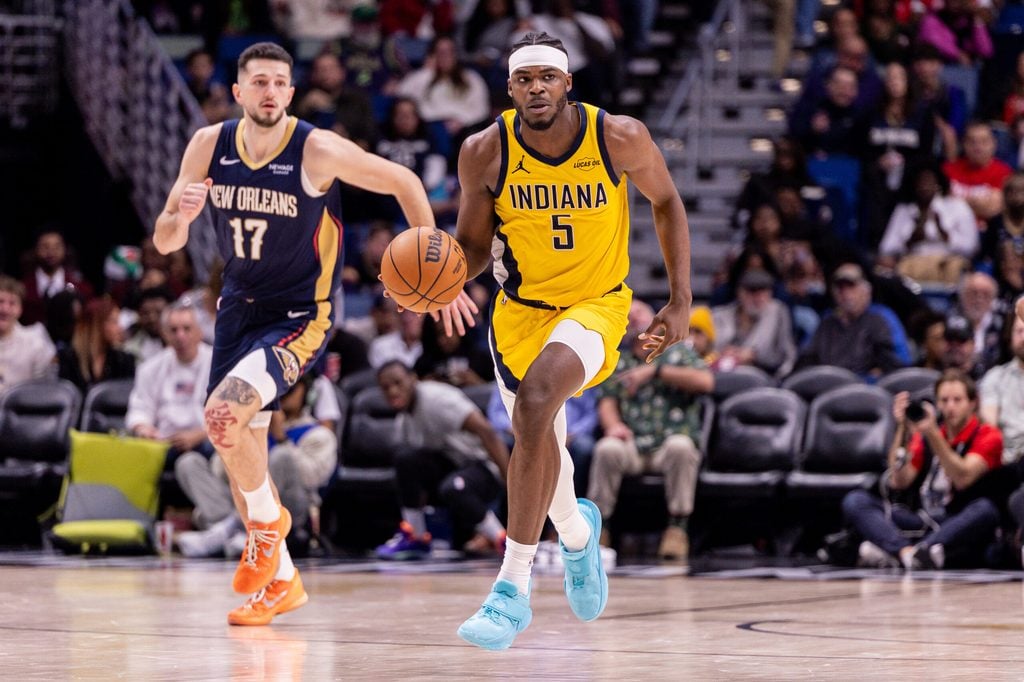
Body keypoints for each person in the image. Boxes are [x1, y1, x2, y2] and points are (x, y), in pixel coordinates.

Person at [152, 41, 442, 627]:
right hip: (237, 311)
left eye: (280, 82)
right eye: (258, 82)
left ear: (291, 90)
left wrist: (432, 255)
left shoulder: (317, 149)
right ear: (238, 92)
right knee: (240, 449)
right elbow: (165, 243)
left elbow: (405, 181)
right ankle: (281, 579)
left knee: (221, 418)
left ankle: (267, 528)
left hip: (299, 316)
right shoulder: (208, 145)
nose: (269, 92)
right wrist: (178, 214)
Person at [449, 33, 691, 650]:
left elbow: (666, 201)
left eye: (547, 78)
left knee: (534, 406)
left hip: (595, 306)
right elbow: (475, 248)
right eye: (524, 79)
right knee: (541, 446)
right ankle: (579, 537)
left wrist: (679, 299)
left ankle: (511, 591)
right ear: (509, 89)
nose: (536, 88)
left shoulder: (618, 137)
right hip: (520, 314)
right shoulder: (484, 152)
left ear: (567, 84)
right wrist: (438, 280)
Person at [841, 370, 1003, 570]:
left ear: (972, 403)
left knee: (985, 510)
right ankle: (907, 553)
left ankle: (907, 551)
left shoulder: (987, 435)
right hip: (923, 519)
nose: (950, 407)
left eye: (957, 400)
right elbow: (899, 480)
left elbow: (963, 477)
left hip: (959, 521)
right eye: (944, 400)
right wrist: (902, 428)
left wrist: (933, 433)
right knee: (856, 500)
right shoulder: (926, 433)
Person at [588, 300, 710, 561]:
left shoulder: (677, 353)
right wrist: (613, 426)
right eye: (629, 315)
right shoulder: (618, 360)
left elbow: (706, 382)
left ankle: (677, 530)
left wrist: (656, 371)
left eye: (640, 311)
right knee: (606, 448)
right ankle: (600, 530)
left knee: (682, 447)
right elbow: (607, 401)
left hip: (668, 441)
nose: (634, 317)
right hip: (633, 443)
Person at [373, 361, 509, 559]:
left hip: (482, 465)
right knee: (405, 459)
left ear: (413, 379)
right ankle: (416, 536)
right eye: (386, 387)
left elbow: (486, 431)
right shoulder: (403, 419)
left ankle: (503, 540)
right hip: (453, 465)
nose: (393, 391)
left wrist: (510, 481)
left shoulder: (436, 399)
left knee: (454, 487)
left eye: (397, 383)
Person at [56, 297, 135, 393]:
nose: (119, 328)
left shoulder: (123, 360)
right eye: (114, 322)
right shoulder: (68, 358)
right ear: (97, 324)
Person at [0, 275, 56, 396]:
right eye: (0, 301)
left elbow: (45, 390)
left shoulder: (35, 342)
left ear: (20, 309)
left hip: (24, 411)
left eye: (12, 303)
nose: (4, 309)